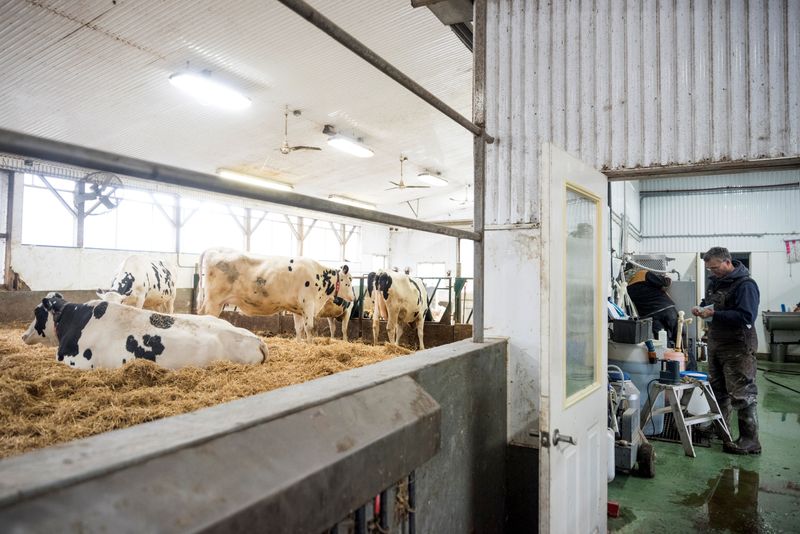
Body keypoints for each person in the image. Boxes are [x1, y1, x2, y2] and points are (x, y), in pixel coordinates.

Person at [691, 247, 761, 455]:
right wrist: (701, 308)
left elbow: (746, 316)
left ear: (727, 262)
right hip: (717, 342)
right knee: (717, 390)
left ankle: (750, 440)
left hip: (738, 345)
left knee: (742, 393)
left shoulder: (746, 285)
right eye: (709, 269)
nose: (712, 272)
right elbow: (710, 304)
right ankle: (721, 429)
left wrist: (715, 313)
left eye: (715, 267)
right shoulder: (715, 283)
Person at [624, 262, 679, 346]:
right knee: (679, 335)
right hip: (666, 308)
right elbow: (665, 282)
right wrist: (668, 278)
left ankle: (666, 358)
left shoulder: (625, 286)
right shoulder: (642, 274)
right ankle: (685, 356)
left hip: (650, 316)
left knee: (662, 342)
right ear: (635, 267)